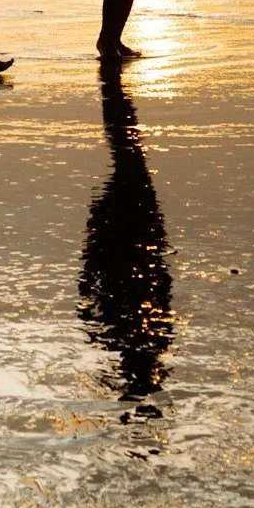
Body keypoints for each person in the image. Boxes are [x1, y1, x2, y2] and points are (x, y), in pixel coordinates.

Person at [78, 62, 173, 401]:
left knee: (129, 159)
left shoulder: (122, 336)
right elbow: (162, 287)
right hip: (130, 243)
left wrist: (89, 269)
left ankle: (115, 93)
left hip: (121, 248)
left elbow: (90, 296)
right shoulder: (149, 338)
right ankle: (115, 92)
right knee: (130, 161)